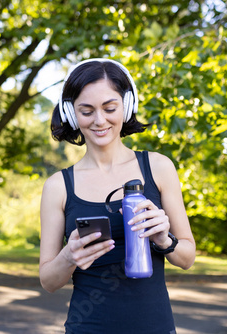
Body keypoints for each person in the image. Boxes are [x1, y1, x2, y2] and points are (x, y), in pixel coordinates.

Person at [39, 58, 196, 334]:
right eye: (86, 111)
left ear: (127, 106)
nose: (100, 121)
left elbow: (187, 258)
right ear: (71, 114)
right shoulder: (58, 186)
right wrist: (69, 257)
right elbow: (49, 282)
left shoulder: (158, 168)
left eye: (109, 108)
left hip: (155, 327)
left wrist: (163, 239)